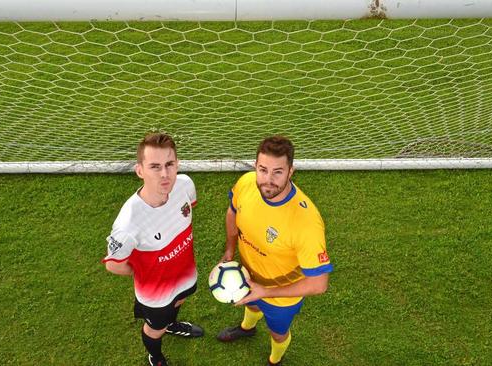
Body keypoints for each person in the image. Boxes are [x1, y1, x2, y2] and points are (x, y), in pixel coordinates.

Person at [217, 135, 332, 366]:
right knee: (250, 303)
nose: (267, 180)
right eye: (263, 169)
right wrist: (230, 250)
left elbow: (319, 284)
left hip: (281, 299)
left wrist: (264, 291)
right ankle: (247, 328)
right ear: (255, 166)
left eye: (278, 172)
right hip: (247, 276)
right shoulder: (247, 183)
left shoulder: (306, 222)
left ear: (291, 171)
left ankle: (275, 360)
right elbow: (232, 212)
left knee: (277, 332)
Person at [102, 133, 203, 366]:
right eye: (155, 167)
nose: (165, 174)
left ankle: (172, 324)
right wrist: (146, 271)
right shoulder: (128, 224)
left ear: (177, 164)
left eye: (169, 165)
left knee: (179, 301)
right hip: (155, 293)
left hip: (185, 273)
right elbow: (113, 265)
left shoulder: (185, 185)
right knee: (154, 328)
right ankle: (155, 357)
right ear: (140, 171)